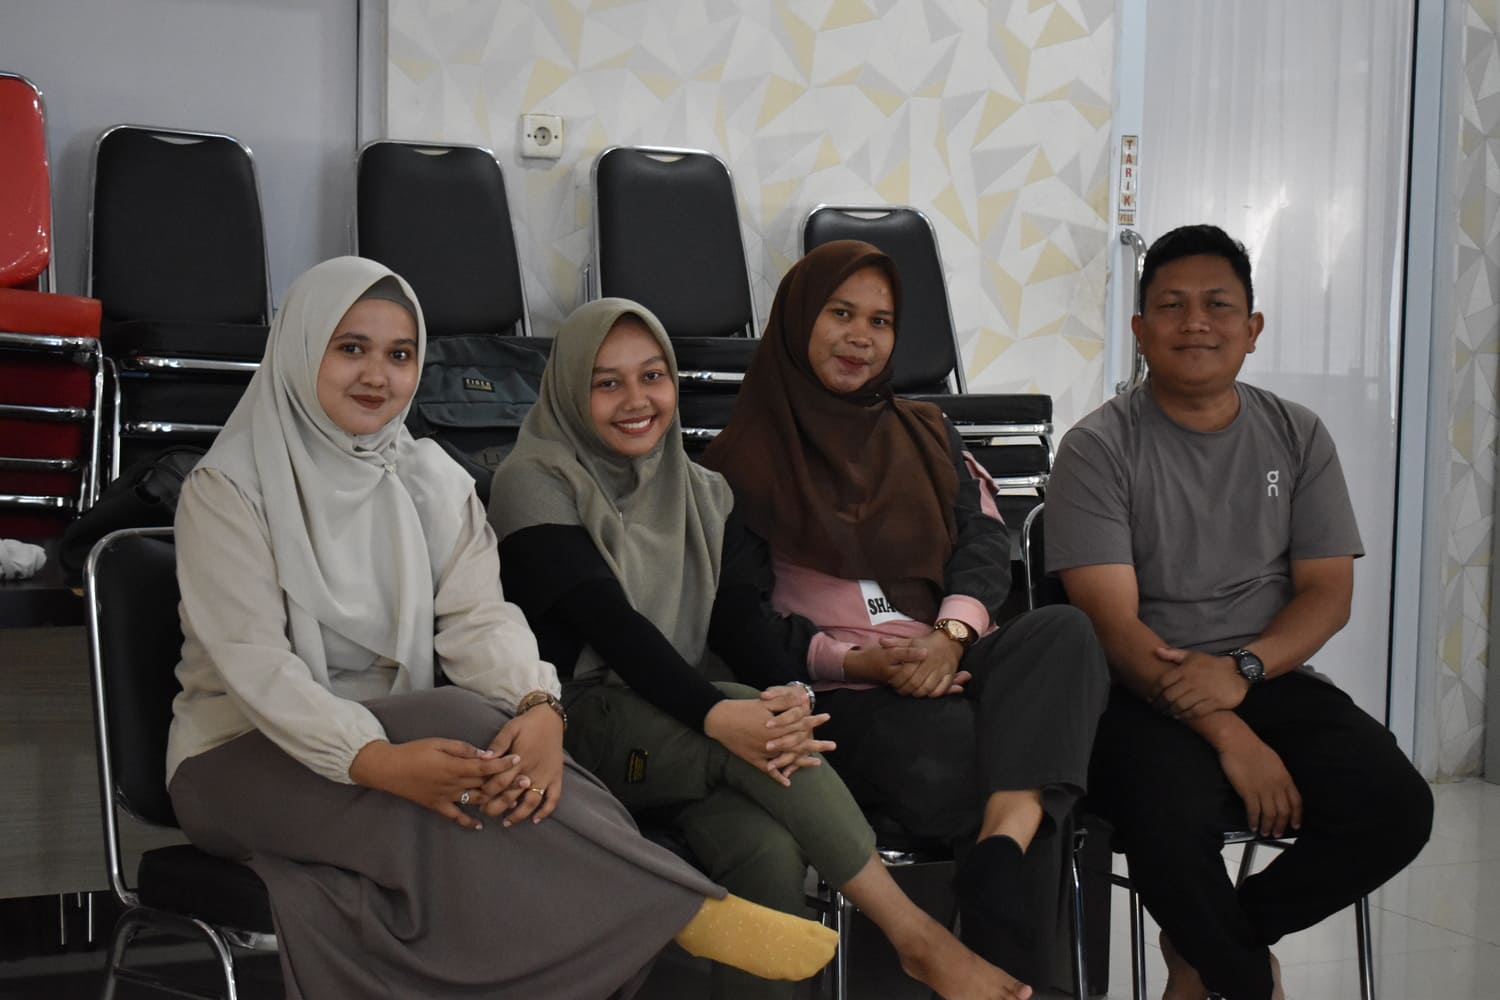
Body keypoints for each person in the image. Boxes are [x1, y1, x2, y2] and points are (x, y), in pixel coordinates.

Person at [165, 256, 841, 999]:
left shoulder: (431, 478)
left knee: (485, 761)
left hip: (400, 741)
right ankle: (679, 908)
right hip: (237, 758)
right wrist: (374, 759)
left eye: (400, 354)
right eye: (351, 348)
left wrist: (538, 706)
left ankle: (647, 914)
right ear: (300, 349)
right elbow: (257, 665)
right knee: (461, 738)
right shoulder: (228, 489)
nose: (378, 376)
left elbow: (479, 617)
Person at [488, 295, 1034, 1000]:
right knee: (757, 722)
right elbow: (614, 626)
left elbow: (737, 623)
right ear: (568, 388)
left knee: (767, 850)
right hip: (574, 725)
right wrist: (725, 714)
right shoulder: (533, 479)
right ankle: (916, 937)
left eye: (652, 376)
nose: (637, 400)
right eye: (607, 382)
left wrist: (793, 694)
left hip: (678, 721)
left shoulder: (701, 491)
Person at [699, 239, 1110, 985]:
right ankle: (1021, 956)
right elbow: (739, 625)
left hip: (950, 654)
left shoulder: (925, 432)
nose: (861, 336)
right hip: (841, 691)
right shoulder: (737, 462)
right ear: (797, 319)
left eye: (880, 321)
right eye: (841, 313)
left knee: (1064, 630)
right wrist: (857, 660)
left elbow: (983, 545)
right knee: (1001, 759)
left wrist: (949, 638)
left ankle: (1001, 857)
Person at [1044, 224, 1433, 1000]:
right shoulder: (1097, 448)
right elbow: (1113, 629)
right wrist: (1229, 731)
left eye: (1218, 305)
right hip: (1136, 693)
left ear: (1252, 329)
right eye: (1172, 306)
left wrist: (1245, 671)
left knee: (1394, 805)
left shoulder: (1297, 433)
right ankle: (1250, 982)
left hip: (1267, 674)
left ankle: (1206, 947)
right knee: (1167, 818)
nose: (1196, 323)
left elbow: (1327, 593)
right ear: (1139, 330)